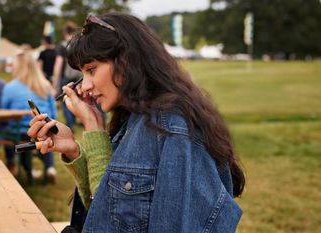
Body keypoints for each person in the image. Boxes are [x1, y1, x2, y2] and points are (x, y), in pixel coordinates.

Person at [27, 12, 245, 232]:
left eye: (91, 69)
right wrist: (76, 148)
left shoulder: (171, 128)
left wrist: (94, 127)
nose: (84, 86)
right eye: (83, 74)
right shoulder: (135, 118)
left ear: (126, 59)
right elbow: (110, 213)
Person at [1, 48, 57, 185]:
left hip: (18, 133)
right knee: (42, 134)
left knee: (14, 135)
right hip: (43, 132)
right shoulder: (45, 86)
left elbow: (3, 112)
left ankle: (13, 163)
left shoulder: (10, 88)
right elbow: (54, 114)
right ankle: (49, 168)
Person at [52, 21, 82, 129]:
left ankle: (70, 123)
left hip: (66, 77)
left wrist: (55, 83)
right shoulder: (79, 43)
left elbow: (58, 65)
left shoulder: (63, 46)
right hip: (79, 77)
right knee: (78, 98)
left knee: (65, 100)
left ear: (65, 32)